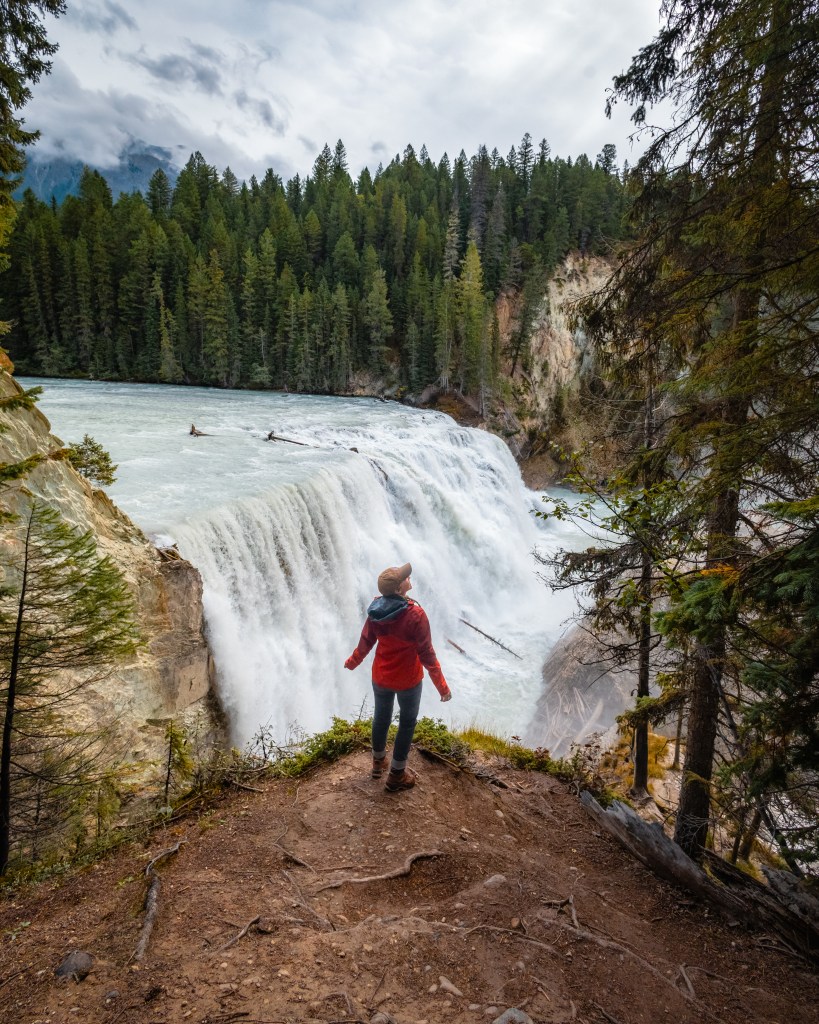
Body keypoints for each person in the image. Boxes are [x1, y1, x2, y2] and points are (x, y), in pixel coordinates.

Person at [345, 562, 451, 792]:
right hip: (408, 680)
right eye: (405, 577)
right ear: (399, 589)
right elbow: (427, 654)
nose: (408, 576)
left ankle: (378, 762)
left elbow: (365, 642)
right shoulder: (415, 615)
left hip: (381, 676)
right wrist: (442, 687)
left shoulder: (375, 610)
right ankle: (396, 775)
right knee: (406, 723)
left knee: (381, 719)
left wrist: (353, 661)